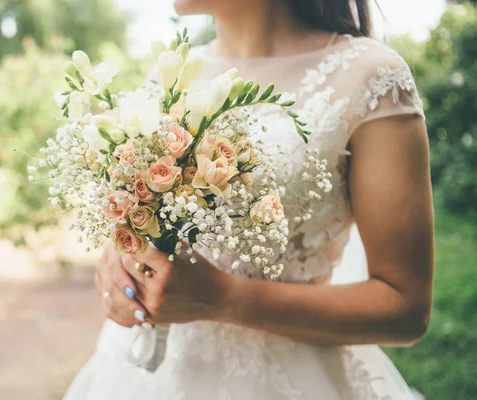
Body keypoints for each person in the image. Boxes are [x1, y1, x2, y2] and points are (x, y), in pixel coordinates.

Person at [64, 0, 434, 398]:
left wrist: (225, 298)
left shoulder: (371, 76)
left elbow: (405, 308)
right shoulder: (171, 75)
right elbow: (148, 223)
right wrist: (121, 265)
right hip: (144, 377)